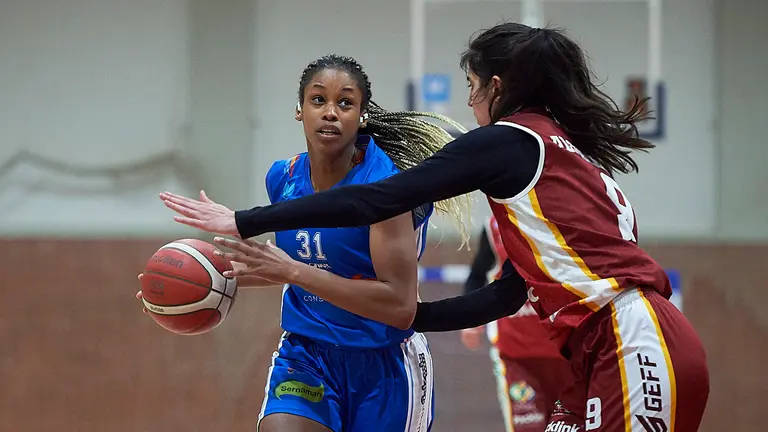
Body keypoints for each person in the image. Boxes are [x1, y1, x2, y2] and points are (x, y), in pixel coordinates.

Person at [160, 23, 710, 431]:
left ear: (495, 87)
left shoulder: (512, 141)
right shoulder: (556, 164)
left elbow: (375, 200)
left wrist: (244, 220)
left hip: (627, 337)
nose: (470, 102)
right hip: (602, 346)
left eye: (471, 87)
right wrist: (405, 316)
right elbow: (504, 295)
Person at [140, 54, 471, 432]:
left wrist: (292, 271)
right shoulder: (284, 177)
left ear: (362, 115)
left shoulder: (385, 189)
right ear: (299, 110)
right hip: (307, 354)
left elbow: (399, 306)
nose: (330, 112)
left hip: (383, 362)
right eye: (318, 100)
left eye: (345, 103)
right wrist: (177, 284)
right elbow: (287, 264)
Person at [461, 215, 572, 432]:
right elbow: (476, 275)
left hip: (568, 357)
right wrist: (470, 320)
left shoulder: (563, 215)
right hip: (517, 359)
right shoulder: (495, 225)